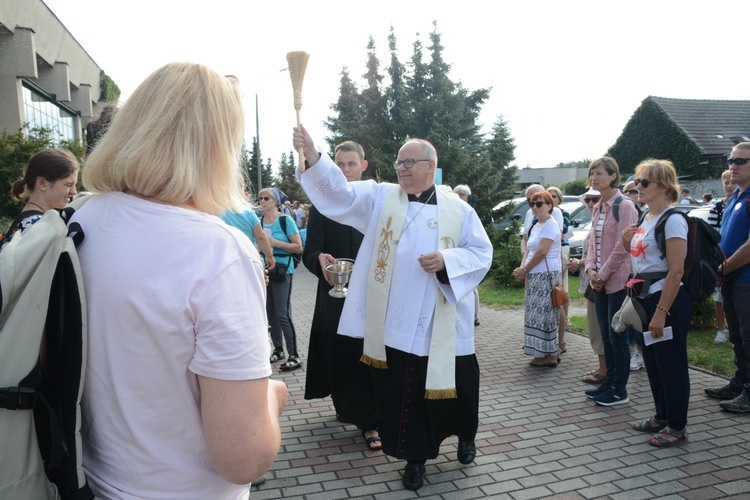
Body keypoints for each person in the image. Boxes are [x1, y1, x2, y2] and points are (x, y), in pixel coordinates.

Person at [70, 62, 287, 498]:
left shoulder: (85, 217)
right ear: (219, 146)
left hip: (96, 480)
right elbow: (243, 458)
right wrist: (273, 396)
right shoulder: (216, 251)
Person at [293, 125, 492, 492]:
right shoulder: (381, 197)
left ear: (431, 166)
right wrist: (313, 156)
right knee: (406, 392)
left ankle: (465, 437)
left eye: (409, 162)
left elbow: (482, 253)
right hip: (397, 322)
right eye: (399, 162)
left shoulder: (459, 211)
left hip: (441, 320)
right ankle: (414, 459)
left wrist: (447, 260)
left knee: (459, 385)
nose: (401, 168)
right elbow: (338, 194)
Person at [302, 140, 381, 451]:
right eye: (341, 164)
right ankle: (350, 406)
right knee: (342, 354)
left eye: (352, 164)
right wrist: (319, 259)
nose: (346, 170)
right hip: (335, 293)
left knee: (369, 353)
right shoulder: (322, 204)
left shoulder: (379, 202)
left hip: (373, 292)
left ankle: (370, 420)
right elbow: (311, 250)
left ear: (364, 166)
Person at [621, 159, 692, 447]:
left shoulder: (673, 219)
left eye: (644, 182)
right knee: (653, 362)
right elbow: (643, 260)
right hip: (645, 298)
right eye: (637, 181)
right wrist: (628, 242)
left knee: (671, 364)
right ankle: (661, 415)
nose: (638, 186)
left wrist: (662, 312)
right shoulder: (646, 217)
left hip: (667, 300)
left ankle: (677, 426)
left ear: (664, 186)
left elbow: (676, 271)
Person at [584, 155, 638, 406]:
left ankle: (619, 390)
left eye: (599, 174)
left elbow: (622, 247)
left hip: (616, 280)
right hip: (600, 281)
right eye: (592, 174)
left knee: (617, 337)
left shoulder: (624, 205)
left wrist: (602, 275)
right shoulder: (598, 206)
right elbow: (593, 245)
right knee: (606, 335)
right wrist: (590, 270)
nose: (594, 178)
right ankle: (609, 384)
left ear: (613, 176)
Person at [705, 142, 750, 413]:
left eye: (741, 161)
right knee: (737, 335)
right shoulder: (735, 197)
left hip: (745, 279)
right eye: (730, 160)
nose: (733, 165)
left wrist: (724, 268)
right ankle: (741, 382)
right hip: (733, 278)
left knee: (749, 336)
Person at [513, 191, 562, 367]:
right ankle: (541, 353)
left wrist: (525, 269)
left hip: (545, 275)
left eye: (539, 204)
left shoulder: (550, 224)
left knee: (545, 314)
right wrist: (522, 268)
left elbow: (542, 252)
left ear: (549, 206)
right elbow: (528, 250)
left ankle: (550, 354)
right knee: (535, 315)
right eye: (532, 204)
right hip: (534, 275)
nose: (535, 207)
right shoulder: (537, 225)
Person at [259, 187, 303, 371]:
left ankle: (294, 355)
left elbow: (298, 247)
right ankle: (278, 349)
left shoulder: (285, 220)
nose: (262, 201)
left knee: (283, 313)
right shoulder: (259, 221)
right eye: (260, 198)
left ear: (275, 201)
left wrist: (276, 243)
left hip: (283, 270)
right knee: (271, 313)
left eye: (266, 198)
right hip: (266, 270)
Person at [567, 188, 606, 384]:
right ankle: (604, 368)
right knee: (596, 327)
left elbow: (599, 256)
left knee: (598, 328)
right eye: (588, 200)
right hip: (591, 281)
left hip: (599, 282)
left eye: (595, 199)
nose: (591, 203)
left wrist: (579, 263)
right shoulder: (595, 220)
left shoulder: (604, 219)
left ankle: (604, 371)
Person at [7, 148, 79, 236]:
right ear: (42, 183)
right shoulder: (39, 227)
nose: (74, 192)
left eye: (74, 185)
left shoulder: (26, 222)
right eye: (68, 185)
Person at [708, 170, 736, 344]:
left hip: (738, 256)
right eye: (726, 183)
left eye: (732, 183)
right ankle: (721, 329)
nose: (729, 186)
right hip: (721, 256)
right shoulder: (717, 207)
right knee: (718, 297)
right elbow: (712, 234)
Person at [454, 184, 481, 326]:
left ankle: (475, 315)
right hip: (455, 252)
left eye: (462, 195)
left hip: (467, 254)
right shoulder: (452, 209)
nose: (459, 197)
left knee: (472, 288)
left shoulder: (470, 211)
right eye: (457, 194)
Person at [547, 186, 570, 353]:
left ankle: (564, 321)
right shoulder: (540, 215)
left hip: (560, 251)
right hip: (550, 254)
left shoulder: (561, 213)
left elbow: (562, 234)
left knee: (560, 288)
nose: (552, 198)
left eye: (554, 196)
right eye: (550, 196)